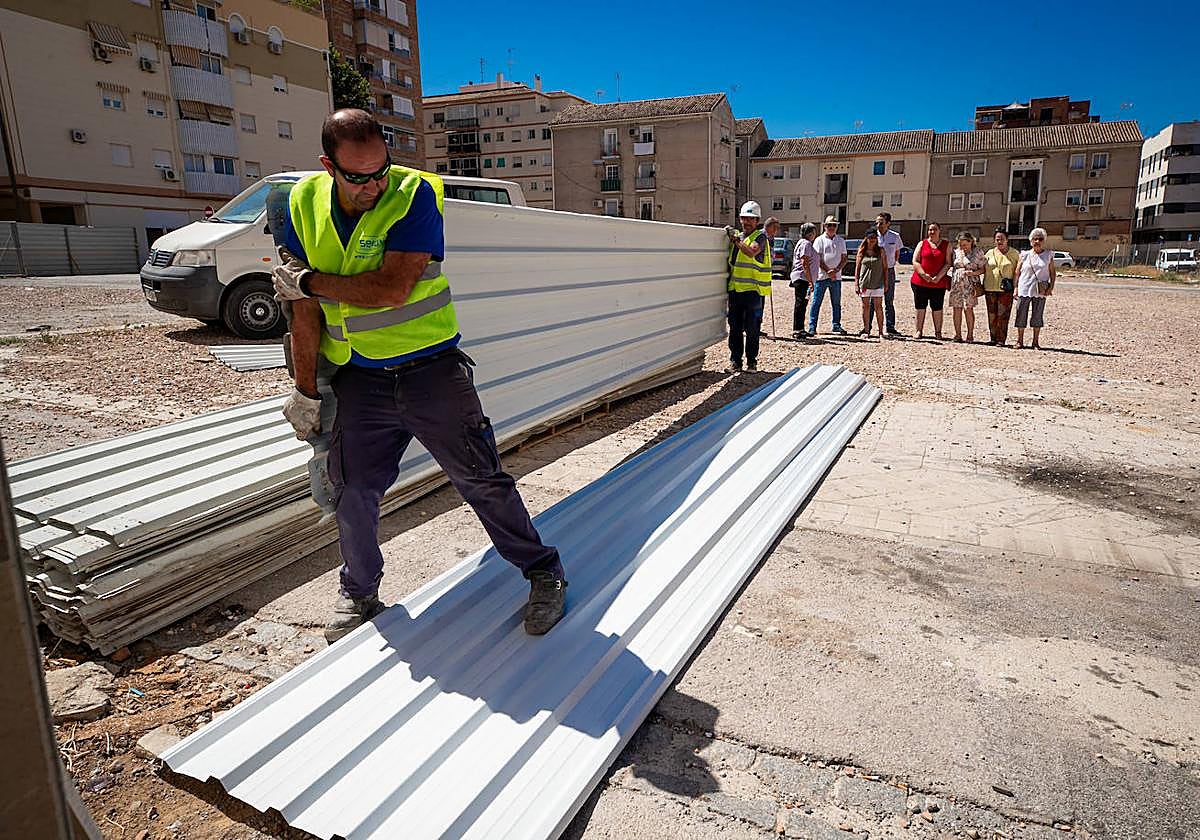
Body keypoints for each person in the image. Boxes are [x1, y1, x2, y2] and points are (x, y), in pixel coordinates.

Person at [270, 109, 566, 642]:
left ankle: (544, 571)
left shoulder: (412, 196)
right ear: (327, 166)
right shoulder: (297, 205)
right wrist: (305, 390)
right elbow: (302, 310)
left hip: (432, 372)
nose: (373, 185)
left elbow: (392, 289)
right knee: (352, 490)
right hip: (361, 379)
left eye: (380, 169)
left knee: (480, 479)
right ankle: (359, 593)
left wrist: (309, 281)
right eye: (358, 176)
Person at [723, 200, 771, 372]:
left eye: (751, 219)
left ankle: (752, 361)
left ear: (757, 221)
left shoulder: (760, 237)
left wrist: (735, 239)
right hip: (736, 290)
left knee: (752, 328)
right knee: (735, 328)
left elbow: (751, 252)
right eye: (744, 218)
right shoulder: (737, 238)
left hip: (753, 291)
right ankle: (735, 361)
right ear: (740, 219)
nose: (747, 222)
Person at [1012, 227, 1056, 350]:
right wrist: (1015, 288)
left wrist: (1051, 287)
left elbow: (1052, 273)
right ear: (1031, 241)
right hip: (1024, 289)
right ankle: (1019, 341)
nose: (1037, 241)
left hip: (1040, 290)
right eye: (1035, 239)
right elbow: (1017, 272)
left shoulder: (1048, 255)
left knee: (1037, 315)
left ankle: (1035, 342)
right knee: (1021, 315)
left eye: (1040, 239)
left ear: (1044, 240)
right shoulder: (1024, 255)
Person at [808, 216, 848, 335]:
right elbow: (817, 258)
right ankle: (812, 326)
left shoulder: (841, 241)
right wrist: (828, 271)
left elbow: (844, 258)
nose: (831, 227)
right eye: (829, 225)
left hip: (836, 277)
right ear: (824, 226)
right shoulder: (819, 240)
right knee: (816, 302)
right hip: (821, 277)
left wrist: (835, 270)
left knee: (836, 303)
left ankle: (836, 325)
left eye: (834, 225)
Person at [910, 222, 950, 339]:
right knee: (920, 306)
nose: (932, 232)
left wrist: (938, 277)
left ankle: (938, 332)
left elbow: (948, 263)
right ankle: (918, 330)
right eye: (930, 230)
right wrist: (923, 274)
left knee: (937, 307)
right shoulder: (922, 243)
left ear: (939, 231)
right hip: (920, 282)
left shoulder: (946, 245)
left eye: (934, 229)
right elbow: (915, 261)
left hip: (938, 283)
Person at [948, 231, 986, 343]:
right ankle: (958, 335)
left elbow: (983, 269)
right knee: (956, 308)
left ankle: (970, 335)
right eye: (960, 244)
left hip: (970, 284)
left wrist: (973, 273)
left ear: (971, 242)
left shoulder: (978, 252)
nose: (962, 247)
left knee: (968, 309)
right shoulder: (956, 252)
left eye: (965, 244)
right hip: (956, 284)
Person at [982, 228, 1018, 345]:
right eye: (997, 239)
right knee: (992, 315)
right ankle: (993, 338)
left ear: (1007, 240)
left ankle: (1001, 340)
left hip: (1006, 290)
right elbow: (982, 269)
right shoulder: (989, 253)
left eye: (1002, 239)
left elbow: (1018, 272)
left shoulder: (1014, 254)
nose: (999, 241)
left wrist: (1017, 287)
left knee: (1003, 315)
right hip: (990, 288)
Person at [854, 227, 888, 338]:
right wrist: (856, 283)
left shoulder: (881, 251)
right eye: (870, 237)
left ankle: (881, 332)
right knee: (865, 307)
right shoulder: (862, 251)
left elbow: (885, 268)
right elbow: (857, 268)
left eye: (874, 237)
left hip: (878, 283)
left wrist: (886, 282)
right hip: (865, 283)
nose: (873, 239)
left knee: (879, 307)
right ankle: (867, 330)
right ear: (866, 238)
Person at [874, 212, 905, 336]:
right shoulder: (873, 236)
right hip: (876, 271)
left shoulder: (895, 236)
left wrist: (890, 264)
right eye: (876, 222)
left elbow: (897, 254)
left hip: (889, 271)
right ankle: (869, 327)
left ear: (888, 223)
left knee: (889, 299)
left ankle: (890, 326)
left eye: (881, 222)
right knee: (873, 300)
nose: (878, 225)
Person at [790, 222, 818, 338]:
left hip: (804, 278)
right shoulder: (806, 244)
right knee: (800, 303)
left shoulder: (804, 243)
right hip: (803, 278)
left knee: (803, 304)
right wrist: (810, 281)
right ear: (810, 233)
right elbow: (805, 263)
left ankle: (800, 328)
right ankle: (797, 330)